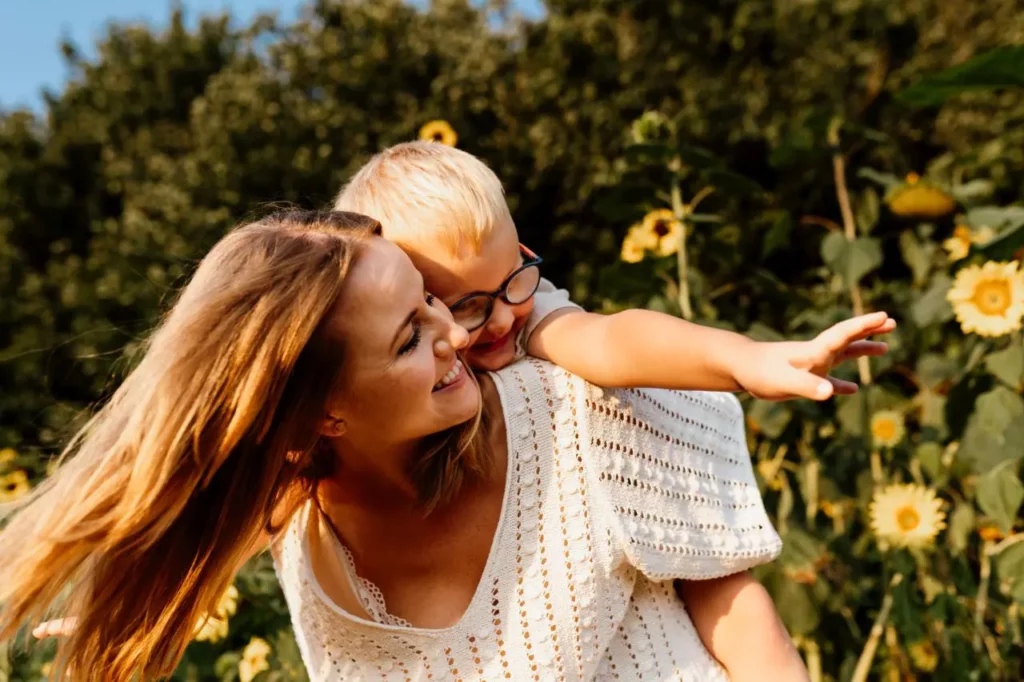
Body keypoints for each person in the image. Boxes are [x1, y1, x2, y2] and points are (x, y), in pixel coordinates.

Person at [8, 209, 797, 681]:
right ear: (325, 415)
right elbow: (206, 513)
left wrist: (752, 361)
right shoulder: (296, 519)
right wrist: (141, 600)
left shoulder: (580, 412)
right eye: (408, 340)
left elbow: (729, 600)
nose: (457, 334)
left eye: (430, 301)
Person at [333, 141, 895, 679]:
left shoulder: (538, 346)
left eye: (514, 279)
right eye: (466, 306)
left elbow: (610, 342)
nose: (504, 319)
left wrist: (745, 359)